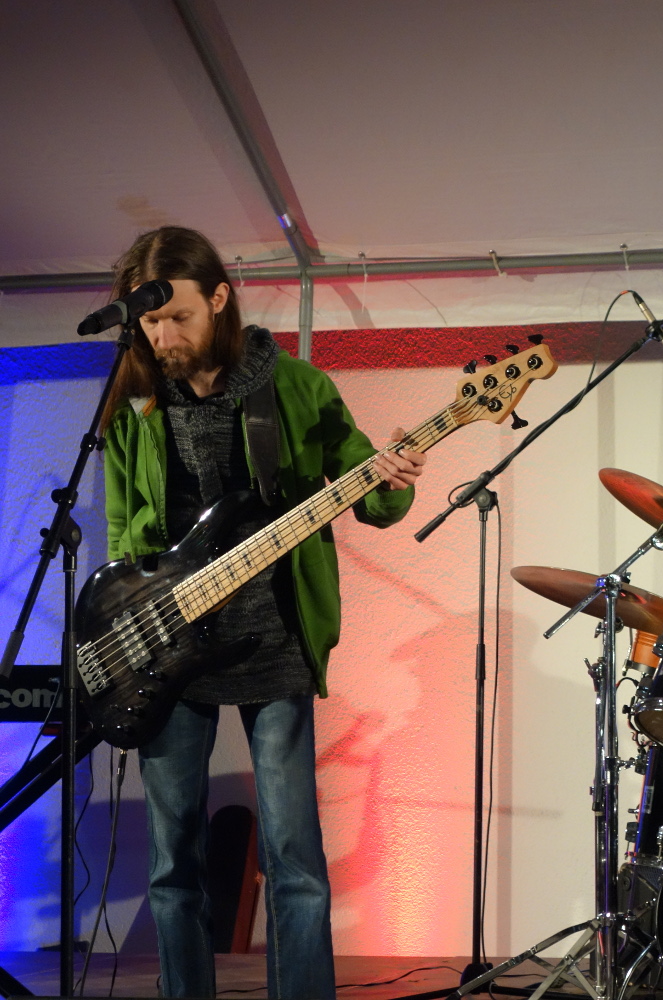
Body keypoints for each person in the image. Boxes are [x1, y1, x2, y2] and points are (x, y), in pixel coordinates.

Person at [99, 226, 426, 999]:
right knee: (173, 863)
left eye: (177, 317)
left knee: (294, 858)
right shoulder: (135, 399)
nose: (162, 337)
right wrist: (123, 625)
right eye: (150, 322)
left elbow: (373, 495)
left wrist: (393, 476)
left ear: (219, 299)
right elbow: (120, 527)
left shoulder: (298, 388)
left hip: (272, 639)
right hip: (167, 644)